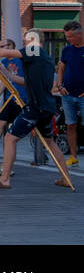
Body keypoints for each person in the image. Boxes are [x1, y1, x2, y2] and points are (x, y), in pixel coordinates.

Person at [0, 34, 73, 190]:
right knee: (50, 143)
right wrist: (8, 74)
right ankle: (66, 178)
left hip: (35, 106)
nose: (24, 41)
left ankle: (4, 179)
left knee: (10, 138)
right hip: (47, 106)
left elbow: (5, 53)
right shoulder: (46, 58)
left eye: (27, 38)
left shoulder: (33, 51)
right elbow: (26, 82)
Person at [55, 20, 84, 166]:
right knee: (70, 125)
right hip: (67, 95)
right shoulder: (66, 50)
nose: (68, 39)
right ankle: (73, 157)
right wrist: (60, 86)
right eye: (66, 36)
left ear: (80, 34)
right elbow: (61, 68)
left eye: (71, 37)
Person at [0, 38, 28, 149]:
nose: (0, 50)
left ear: (10, 46)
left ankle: (41, 153)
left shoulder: (21, 58)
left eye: (2, 47)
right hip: (10, 98)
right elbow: (4, 81)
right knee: (0, 123)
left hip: (24, 98)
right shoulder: (4, 62)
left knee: (32, 127)